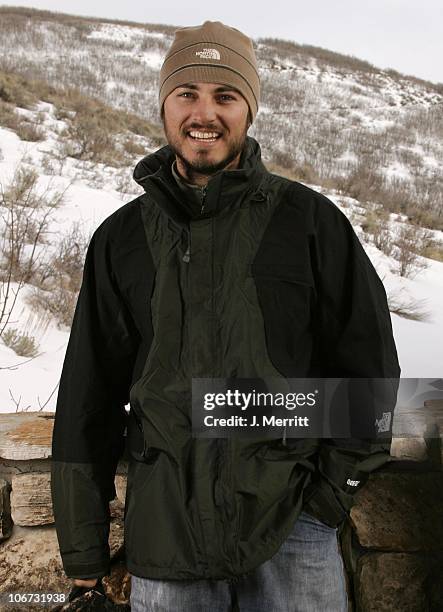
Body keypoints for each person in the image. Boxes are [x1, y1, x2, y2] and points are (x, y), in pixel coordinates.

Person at [51, 21, 400, 612]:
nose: (203, 113)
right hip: (166, 539)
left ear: (250, 110)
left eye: (225, 96)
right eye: (186, 93)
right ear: (164, 104)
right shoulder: (121, 239)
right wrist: (84, 551)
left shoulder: (310, 222)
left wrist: (326, 501)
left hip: (291, 531)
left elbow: (369, 373)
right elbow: (89, 395)